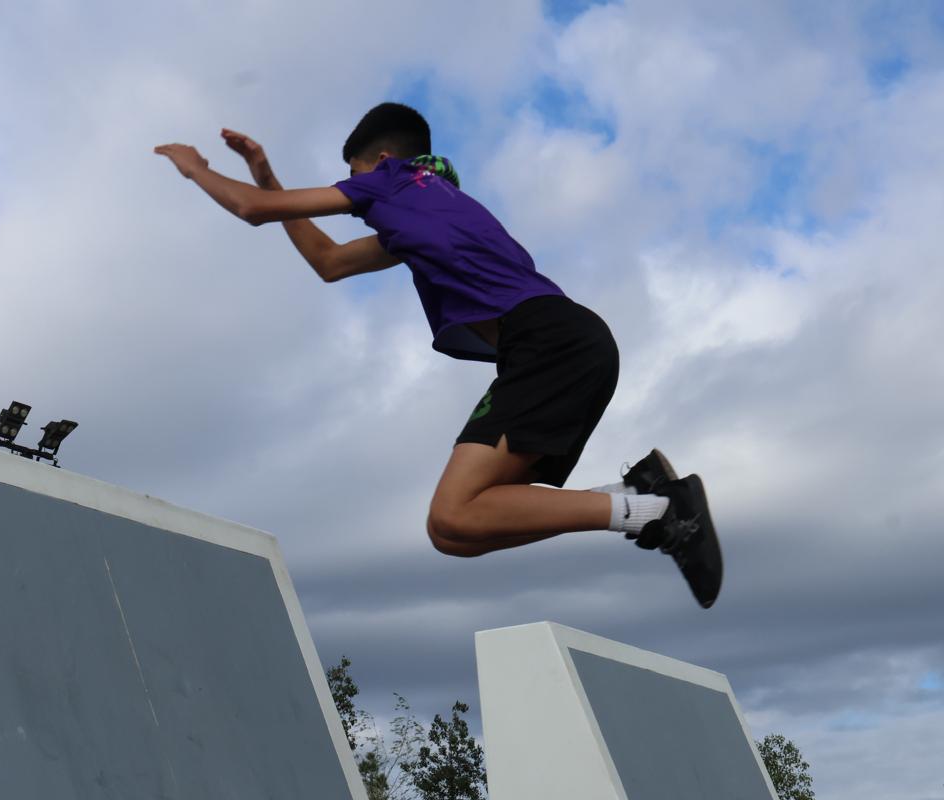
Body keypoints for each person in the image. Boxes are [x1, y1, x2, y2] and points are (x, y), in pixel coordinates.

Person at [154, 102, 722, 608]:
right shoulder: (428, 205)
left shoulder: (393, 182)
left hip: (550, 343)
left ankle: (657, 510)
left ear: (381, 160)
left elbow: (253, 209)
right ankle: (637, 501)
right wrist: (265, 172)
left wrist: (195, 168)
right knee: (455, 530)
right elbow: (329, 261)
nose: (352, 192)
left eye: (353, 176)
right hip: (560, 345)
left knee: (453, 515)